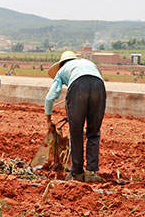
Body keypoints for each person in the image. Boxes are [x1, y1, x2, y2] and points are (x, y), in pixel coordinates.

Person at [45, 51, 106, 182]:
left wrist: (48, 120)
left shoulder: (62, 71)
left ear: (61, 64)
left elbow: (50, 97)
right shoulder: (89, 64)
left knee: (76, 132)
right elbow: (92, 81)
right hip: (99, 87)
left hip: (78, 87)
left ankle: (77, 173)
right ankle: (91, 172)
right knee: (94, 132)